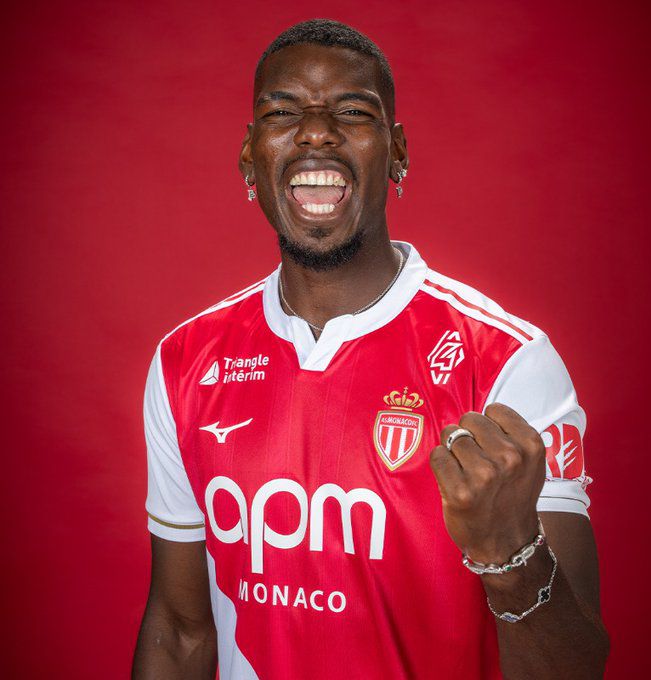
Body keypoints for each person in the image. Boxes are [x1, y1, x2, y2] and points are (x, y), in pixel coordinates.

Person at [132, 18, 608, 680]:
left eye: (353, 111)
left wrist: (512, 554)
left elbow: (577, 669)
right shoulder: (187, 361)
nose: (316, 132)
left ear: (397, 152)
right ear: (249, 156)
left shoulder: (507, 362)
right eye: (282, 112)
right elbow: (181, 630)